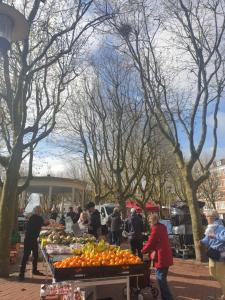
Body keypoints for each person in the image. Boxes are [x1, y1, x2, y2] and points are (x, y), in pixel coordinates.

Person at [142, 213, 174, 300]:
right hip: (166, 255)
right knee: (162, 278)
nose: (149, 223)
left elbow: (150, 243)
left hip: (161, 257)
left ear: (153, 221)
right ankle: (165, 297)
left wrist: (142, 251)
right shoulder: (163, 227)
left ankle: (168, 298)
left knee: (161, 279)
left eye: (149, 222)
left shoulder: (155, 229)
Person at [200, 210, 225, 300]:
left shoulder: (220, 227)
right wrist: (201, 242)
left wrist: (215, 236)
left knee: (221, 276)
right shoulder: (210, 227)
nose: (206, 218)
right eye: (206, 216)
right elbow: (207, 239)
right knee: (212, 273)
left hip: (220, 254)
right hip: (212, 253)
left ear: (212, 217)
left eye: (207, 217)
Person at [19, 206, 48, 281]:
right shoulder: (38, 218)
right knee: (27, 256)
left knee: (34, 255)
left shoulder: (31, 217)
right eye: (39, 210)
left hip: (30, 238)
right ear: (37, 211)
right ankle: (22, 273)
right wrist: (49, 221)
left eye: (39, 210)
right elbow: (45, 224)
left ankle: (32, 271)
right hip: (30, 239)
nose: (39, 212)